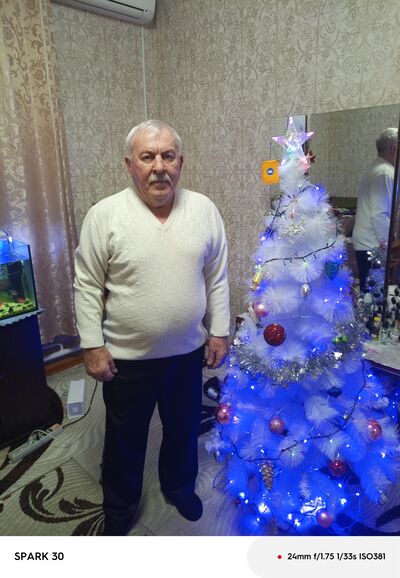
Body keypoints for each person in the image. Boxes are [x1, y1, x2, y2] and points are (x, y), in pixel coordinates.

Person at [73, 120, 230, 535]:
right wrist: (92, 345)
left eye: (168, 156)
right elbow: (87, 285)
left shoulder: (204, 210)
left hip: (186, 353)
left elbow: (216, 277)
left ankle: (178, 487)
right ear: (129, 164)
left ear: (181, 162)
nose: (159, 166)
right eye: (147, 157)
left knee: (182, 430)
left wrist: (218, 331)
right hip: (126, 359)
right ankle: (120, 508)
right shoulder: (105, 215)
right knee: (124, 438)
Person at [352, 127, 398, 291]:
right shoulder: (384, 172)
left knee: (370, 293)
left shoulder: (376, 167)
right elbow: (380, 215)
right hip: (373, 246)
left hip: (368, 244)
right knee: (374, 296)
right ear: (394, 148)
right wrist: (391, 247)